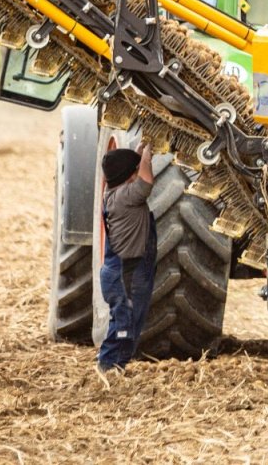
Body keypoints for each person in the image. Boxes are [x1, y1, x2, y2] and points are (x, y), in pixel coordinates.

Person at [97, 141, 156, 373]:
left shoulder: (112, 192)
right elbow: (146, 182)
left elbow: (133, 176)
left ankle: (117, 366)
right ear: (127, 176)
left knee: (130, 321)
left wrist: (138, 155)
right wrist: (147, 158)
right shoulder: (127, 197)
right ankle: (107, 365)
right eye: (132, 171)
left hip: (120, 271)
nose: (135, 173)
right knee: (123, 324)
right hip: (125, 275)